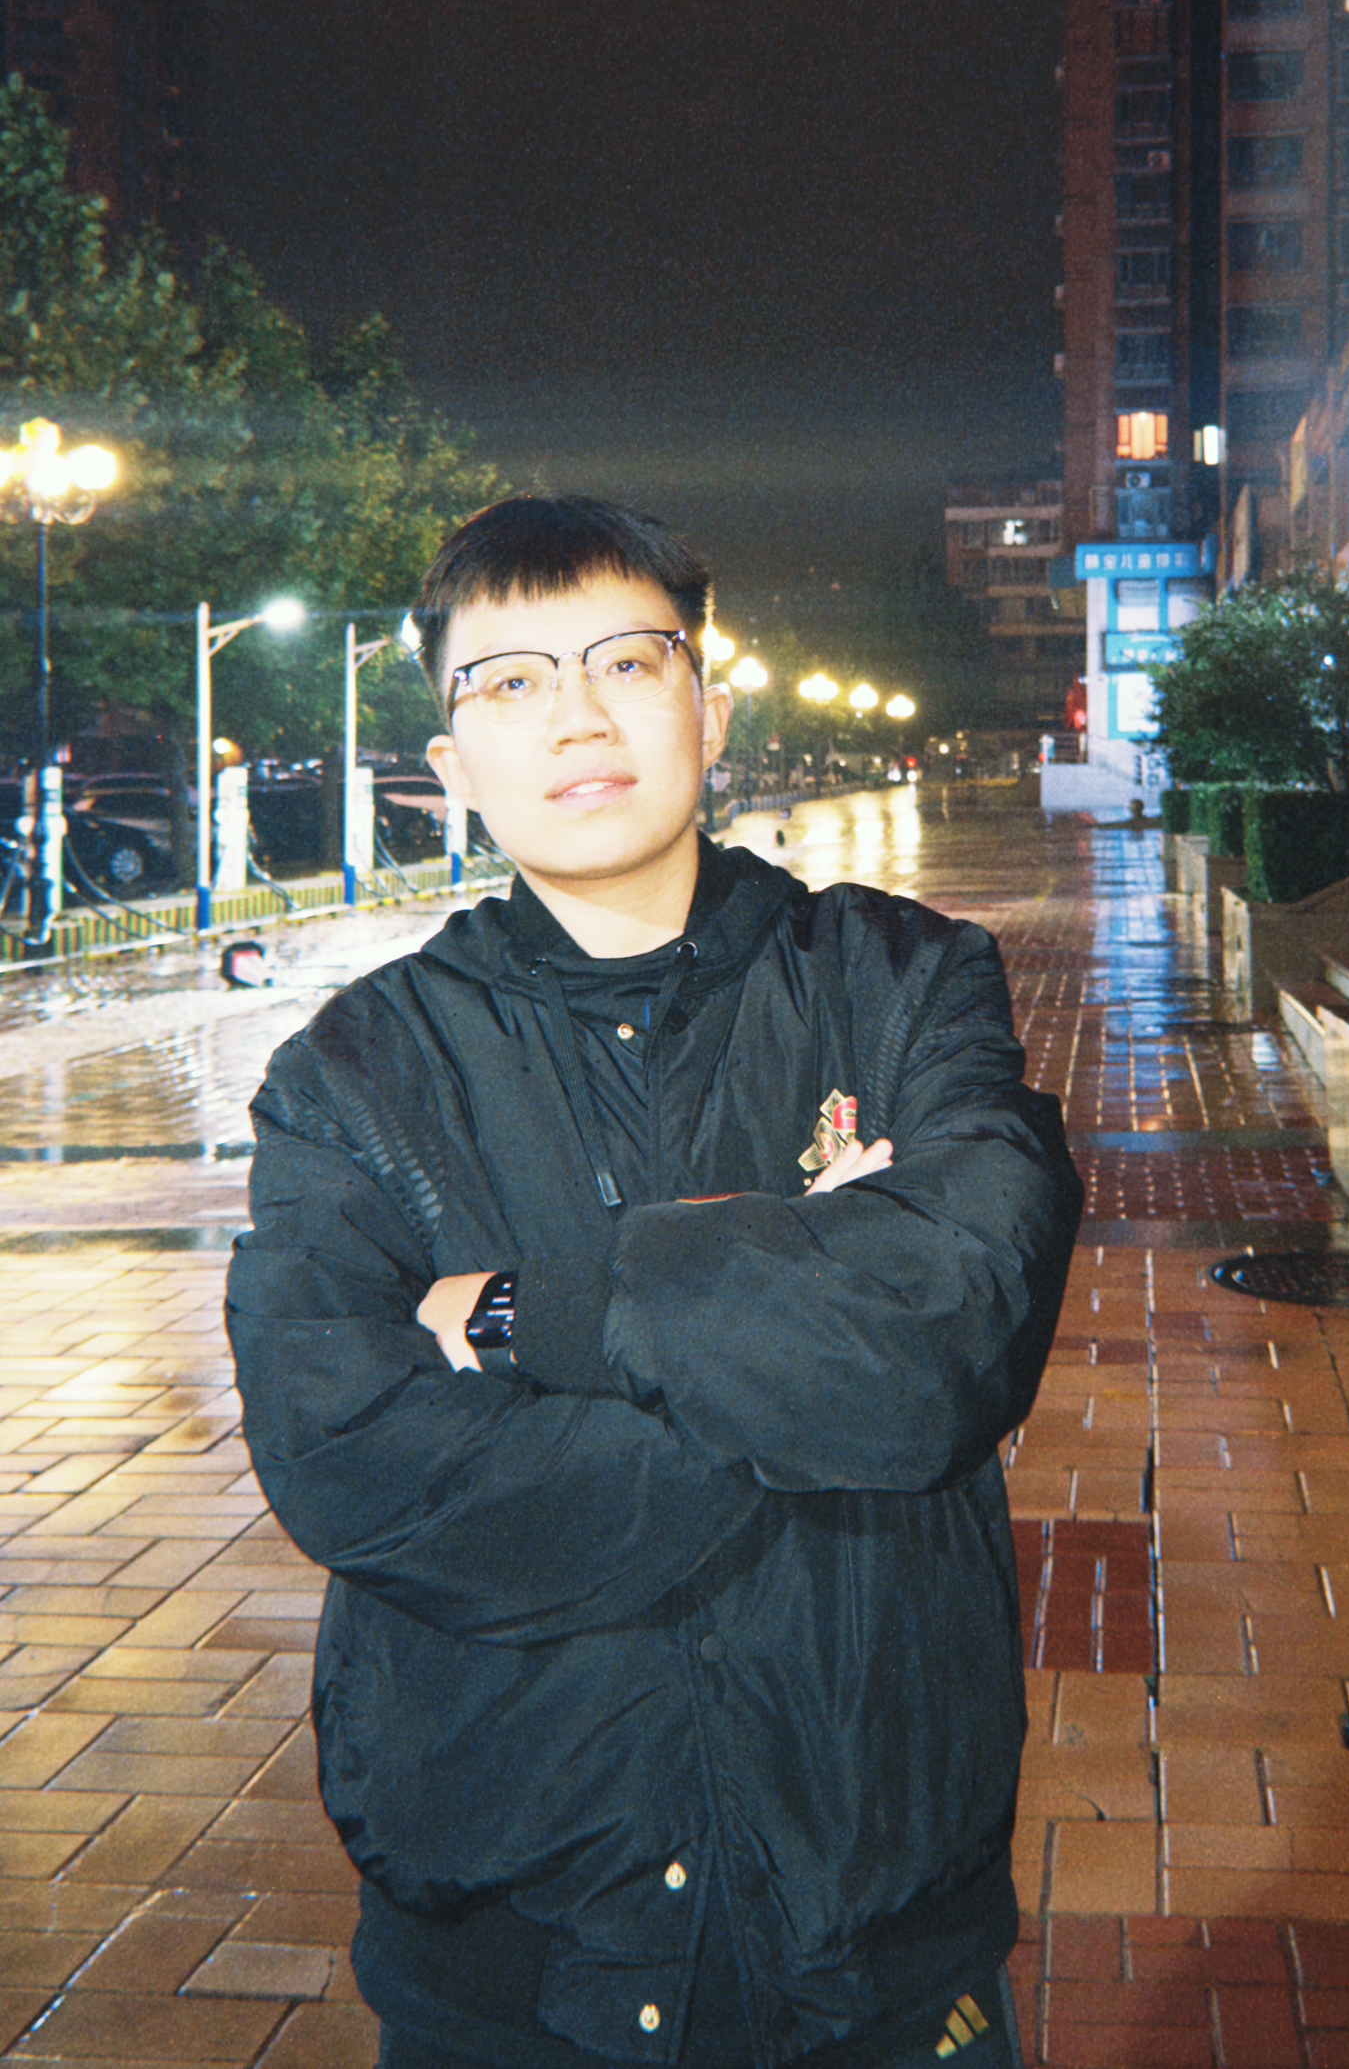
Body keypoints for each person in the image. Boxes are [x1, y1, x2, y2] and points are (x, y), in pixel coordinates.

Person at [226, 495, 1083, 2069]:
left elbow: (953, 1327)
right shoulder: (354, 1074)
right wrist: (798, 1363)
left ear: (711, 704)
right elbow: (347, 1453)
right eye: (511, 680)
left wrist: (531, 1314)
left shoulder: (901, 980)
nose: (577, 716)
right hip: (509, 1942)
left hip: (877, 1916)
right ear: (449, 762)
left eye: (627, 659)